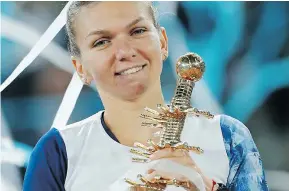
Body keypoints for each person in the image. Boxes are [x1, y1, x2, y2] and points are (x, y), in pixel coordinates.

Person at [23, 1, 268, 191]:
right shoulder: (58, 153)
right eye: (101, 42)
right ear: (80, 68)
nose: (125, 51)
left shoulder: (227, 139)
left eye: (137, 30)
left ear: (162, 42)